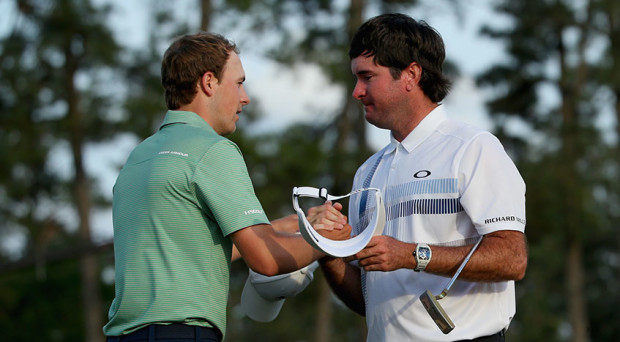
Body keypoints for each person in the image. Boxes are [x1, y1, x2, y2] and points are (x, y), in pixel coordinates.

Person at [103, 32, 349, 342]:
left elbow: (190, 249)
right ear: (209, 82)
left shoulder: (140, 156)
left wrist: (282, 226)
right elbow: (267, 260)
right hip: (182, 334)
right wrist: (327, 239)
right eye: (238, 82)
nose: (244, 97)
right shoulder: (213, 149)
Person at [318, 13, 528, 342]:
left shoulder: (472, 148)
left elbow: (512, 259)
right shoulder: (367, 172)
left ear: (411, 75)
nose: (357, 92)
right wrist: (329, 249)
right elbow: (368, 301)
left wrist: (411, 255)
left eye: (367, 77)